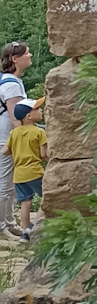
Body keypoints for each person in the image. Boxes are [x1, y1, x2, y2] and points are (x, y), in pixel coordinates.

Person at [0, 42, 37, 239]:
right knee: (5, 184)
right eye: (26, 53)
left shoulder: (7, 80)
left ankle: (8, 223)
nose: (30, 55)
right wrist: (23, 144)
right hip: (6, 140)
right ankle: (2, 227)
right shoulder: (12, 85)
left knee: (9, 184)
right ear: (15, 59)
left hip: (5, 139)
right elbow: (16, 119)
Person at [6, 101, 46, 241]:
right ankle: (33, 226)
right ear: (29, 116)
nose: (41, 110)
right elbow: (43, 154)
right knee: (48, 198)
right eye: (37, 108)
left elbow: (5, 151)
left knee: (25, 202)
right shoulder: (39, 132)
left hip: (19, 174)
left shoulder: (14, 132)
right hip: (35, 172)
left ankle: (24, 233)